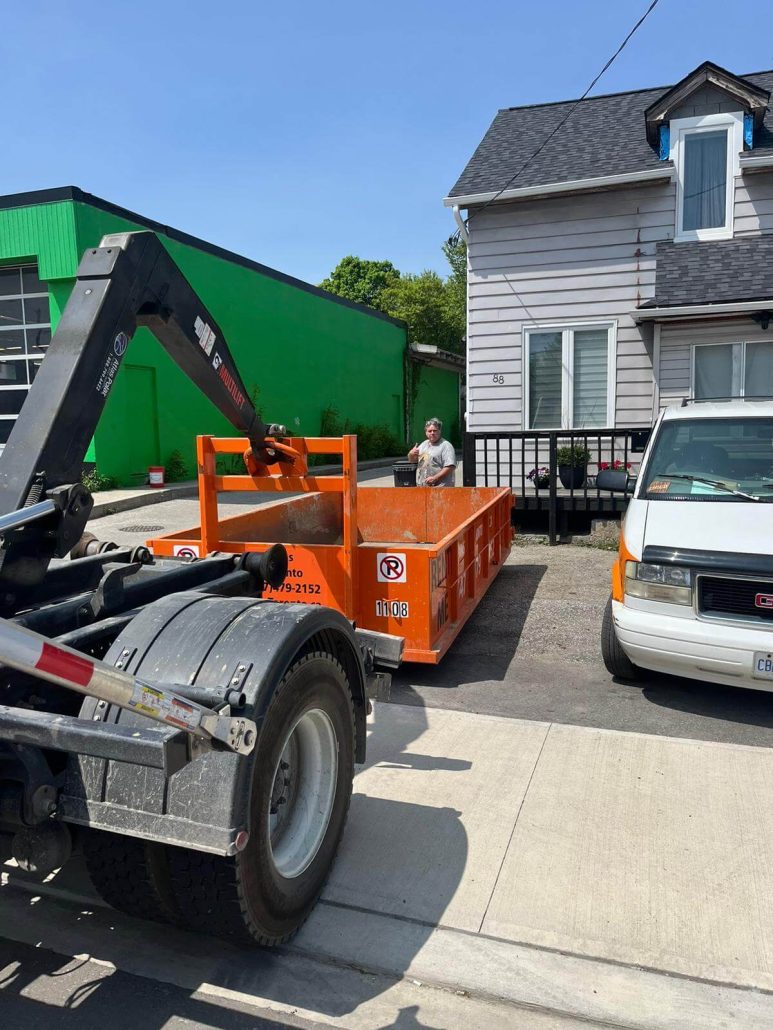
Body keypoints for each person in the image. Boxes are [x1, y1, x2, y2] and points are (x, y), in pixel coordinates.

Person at [407, 418, 456, 487]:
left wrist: (435, 478)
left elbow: (450, 466)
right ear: (426, 433)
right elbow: (412, 461)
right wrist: (411, 454)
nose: (432, 433)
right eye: (429, 431)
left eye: (435, 431)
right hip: (423, 487)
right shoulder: (423, 445)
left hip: (441, 488)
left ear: (439, 431)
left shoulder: (446, 446)